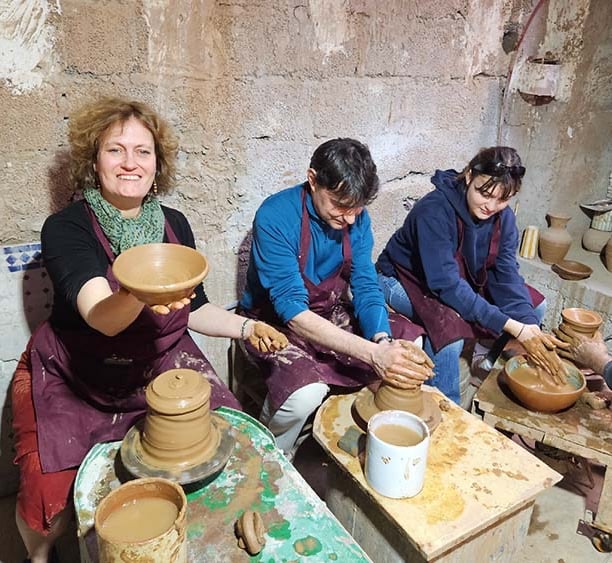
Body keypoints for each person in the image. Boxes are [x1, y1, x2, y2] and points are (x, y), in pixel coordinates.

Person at [11, 97, 287, 563]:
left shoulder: (174, 224)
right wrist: (145, 289)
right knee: (47, 488)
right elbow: (102, 315)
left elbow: (194, 308)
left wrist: (247, 327)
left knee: (226, 439)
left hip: (158, 361)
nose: (129, 163)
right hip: (77, 370)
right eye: (115, 150)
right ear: (93, 161)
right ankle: (38, 556)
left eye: (143, 152)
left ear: (157, 166)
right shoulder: (66, 228)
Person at [239, 138, 434, 456]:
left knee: (409, 345)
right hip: (272, 319)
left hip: (328, 308)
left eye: (358, 208)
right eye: (340, 205)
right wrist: (372, 355)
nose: (351, 218)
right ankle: (272, 455)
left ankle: (374, 433)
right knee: (305, 394)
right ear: (313, 179)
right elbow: (292, 311)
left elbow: (367, 286)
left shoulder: (356, 219)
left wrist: (382, 340)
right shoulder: (275, 216)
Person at [376, 146, 565, 403]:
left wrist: (529, 327)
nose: (491, 206)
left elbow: (506, 273)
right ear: (468, 176)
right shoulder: (434, 210)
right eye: (484, 193)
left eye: (502, 199)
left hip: (457, 276)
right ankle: (446, 407)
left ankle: (487, 368)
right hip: (402, 278)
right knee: (449, 332)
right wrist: (513, 327)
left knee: (534, 308)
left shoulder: (503, 217)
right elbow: (447, 286)